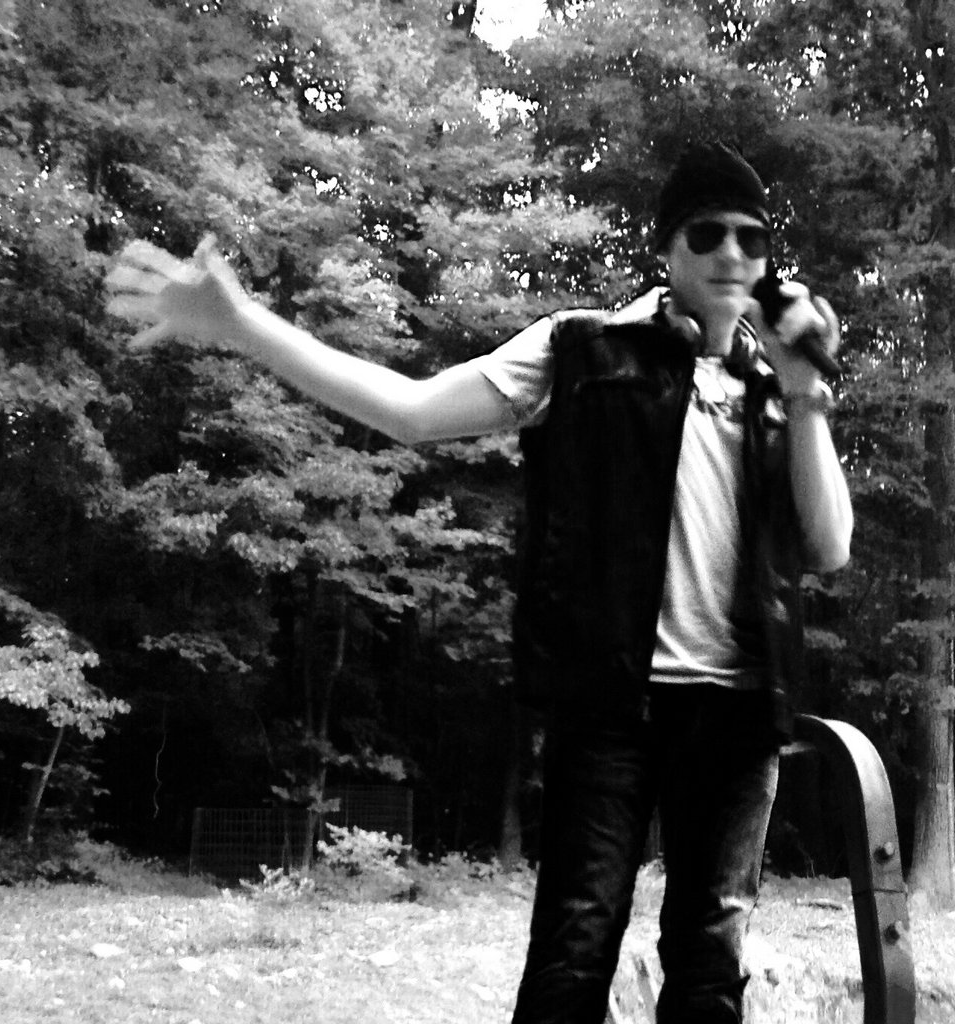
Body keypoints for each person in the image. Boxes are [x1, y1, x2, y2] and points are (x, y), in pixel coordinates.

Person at [107, 141, 852, 1024]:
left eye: (752, 239)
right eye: (707, 233)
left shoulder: (776, 390)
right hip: (609, 708)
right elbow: (411, 412)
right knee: (574, 949)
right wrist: (243, 325)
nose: (731, 253)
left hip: (737, 713)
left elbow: (828, 546)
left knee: (710, 965)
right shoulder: (580, 349)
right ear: (665, 247)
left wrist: (806, 392)